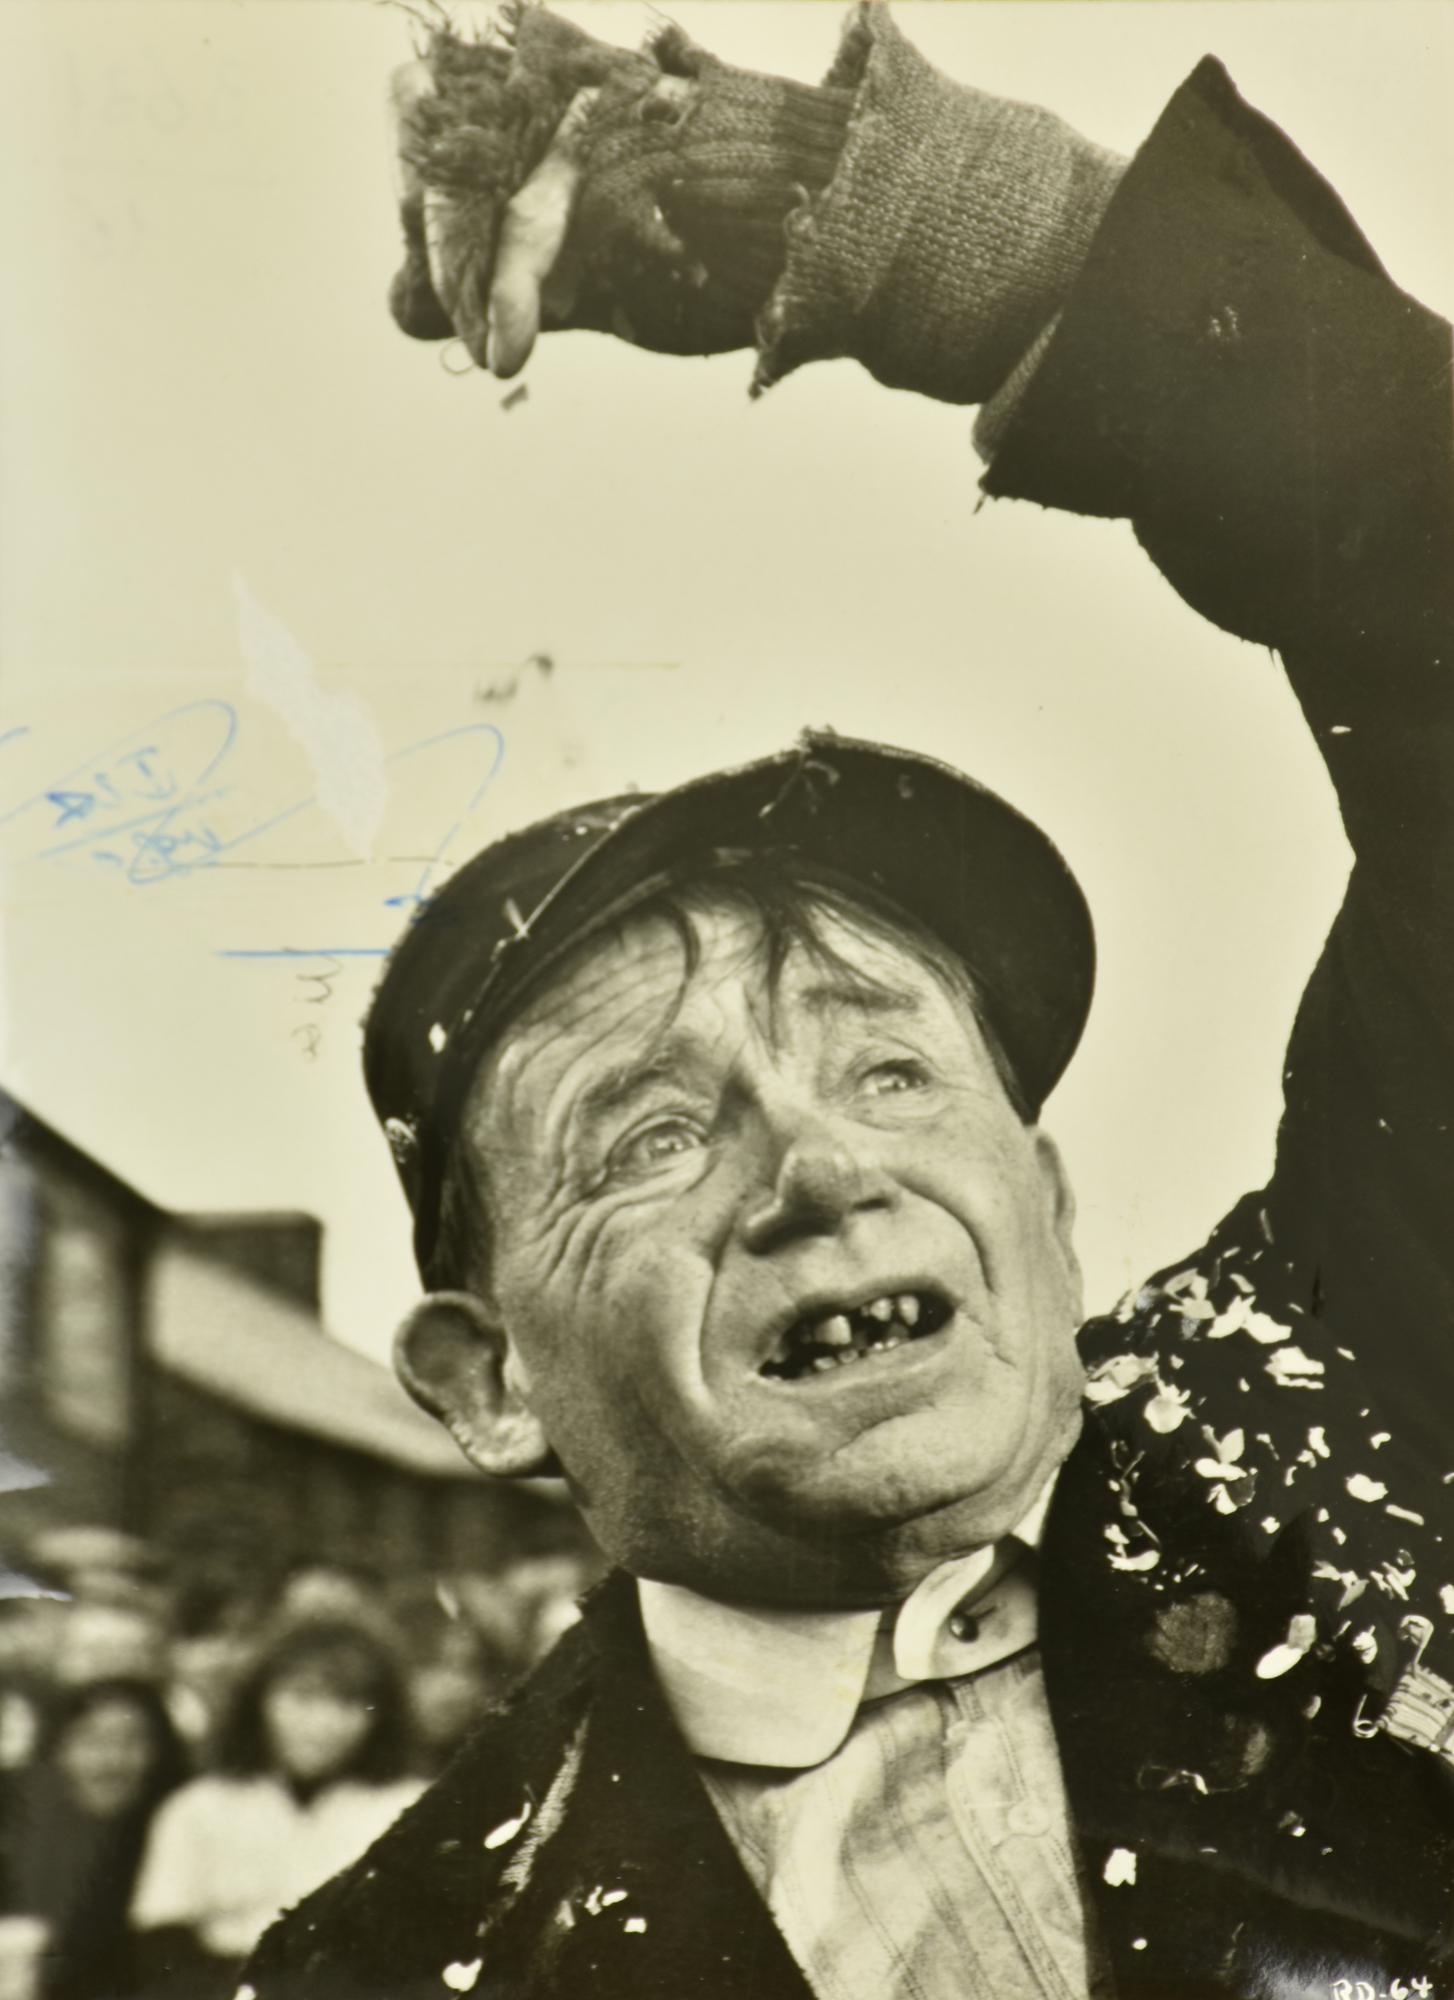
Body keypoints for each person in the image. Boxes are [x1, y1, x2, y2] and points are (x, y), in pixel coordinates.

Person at [246, 7, 1454, 1997]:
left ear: (1043, 1200)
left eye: (891, 1067)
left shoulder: (1363, 1375)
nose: (820, 1170)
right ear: (485, 1381)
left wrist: (969, 235)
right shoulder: (389, 1967)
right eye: (649, 1130)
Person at [129, 1618, 423, 1996]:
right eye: (301, 1698)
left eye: (347, 1703)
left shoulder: (411, 1806)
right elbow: (163, 1943)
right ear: (259, 1702)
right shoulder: (199, 1807)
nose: (321, 1723)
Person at [0, 1678, 187, 2000]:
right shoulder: (20, 1831)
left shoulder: (176, 1833)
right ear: (57, 1749)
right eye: (91, 1740)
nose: (111, 1760)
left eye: (132, 1741)